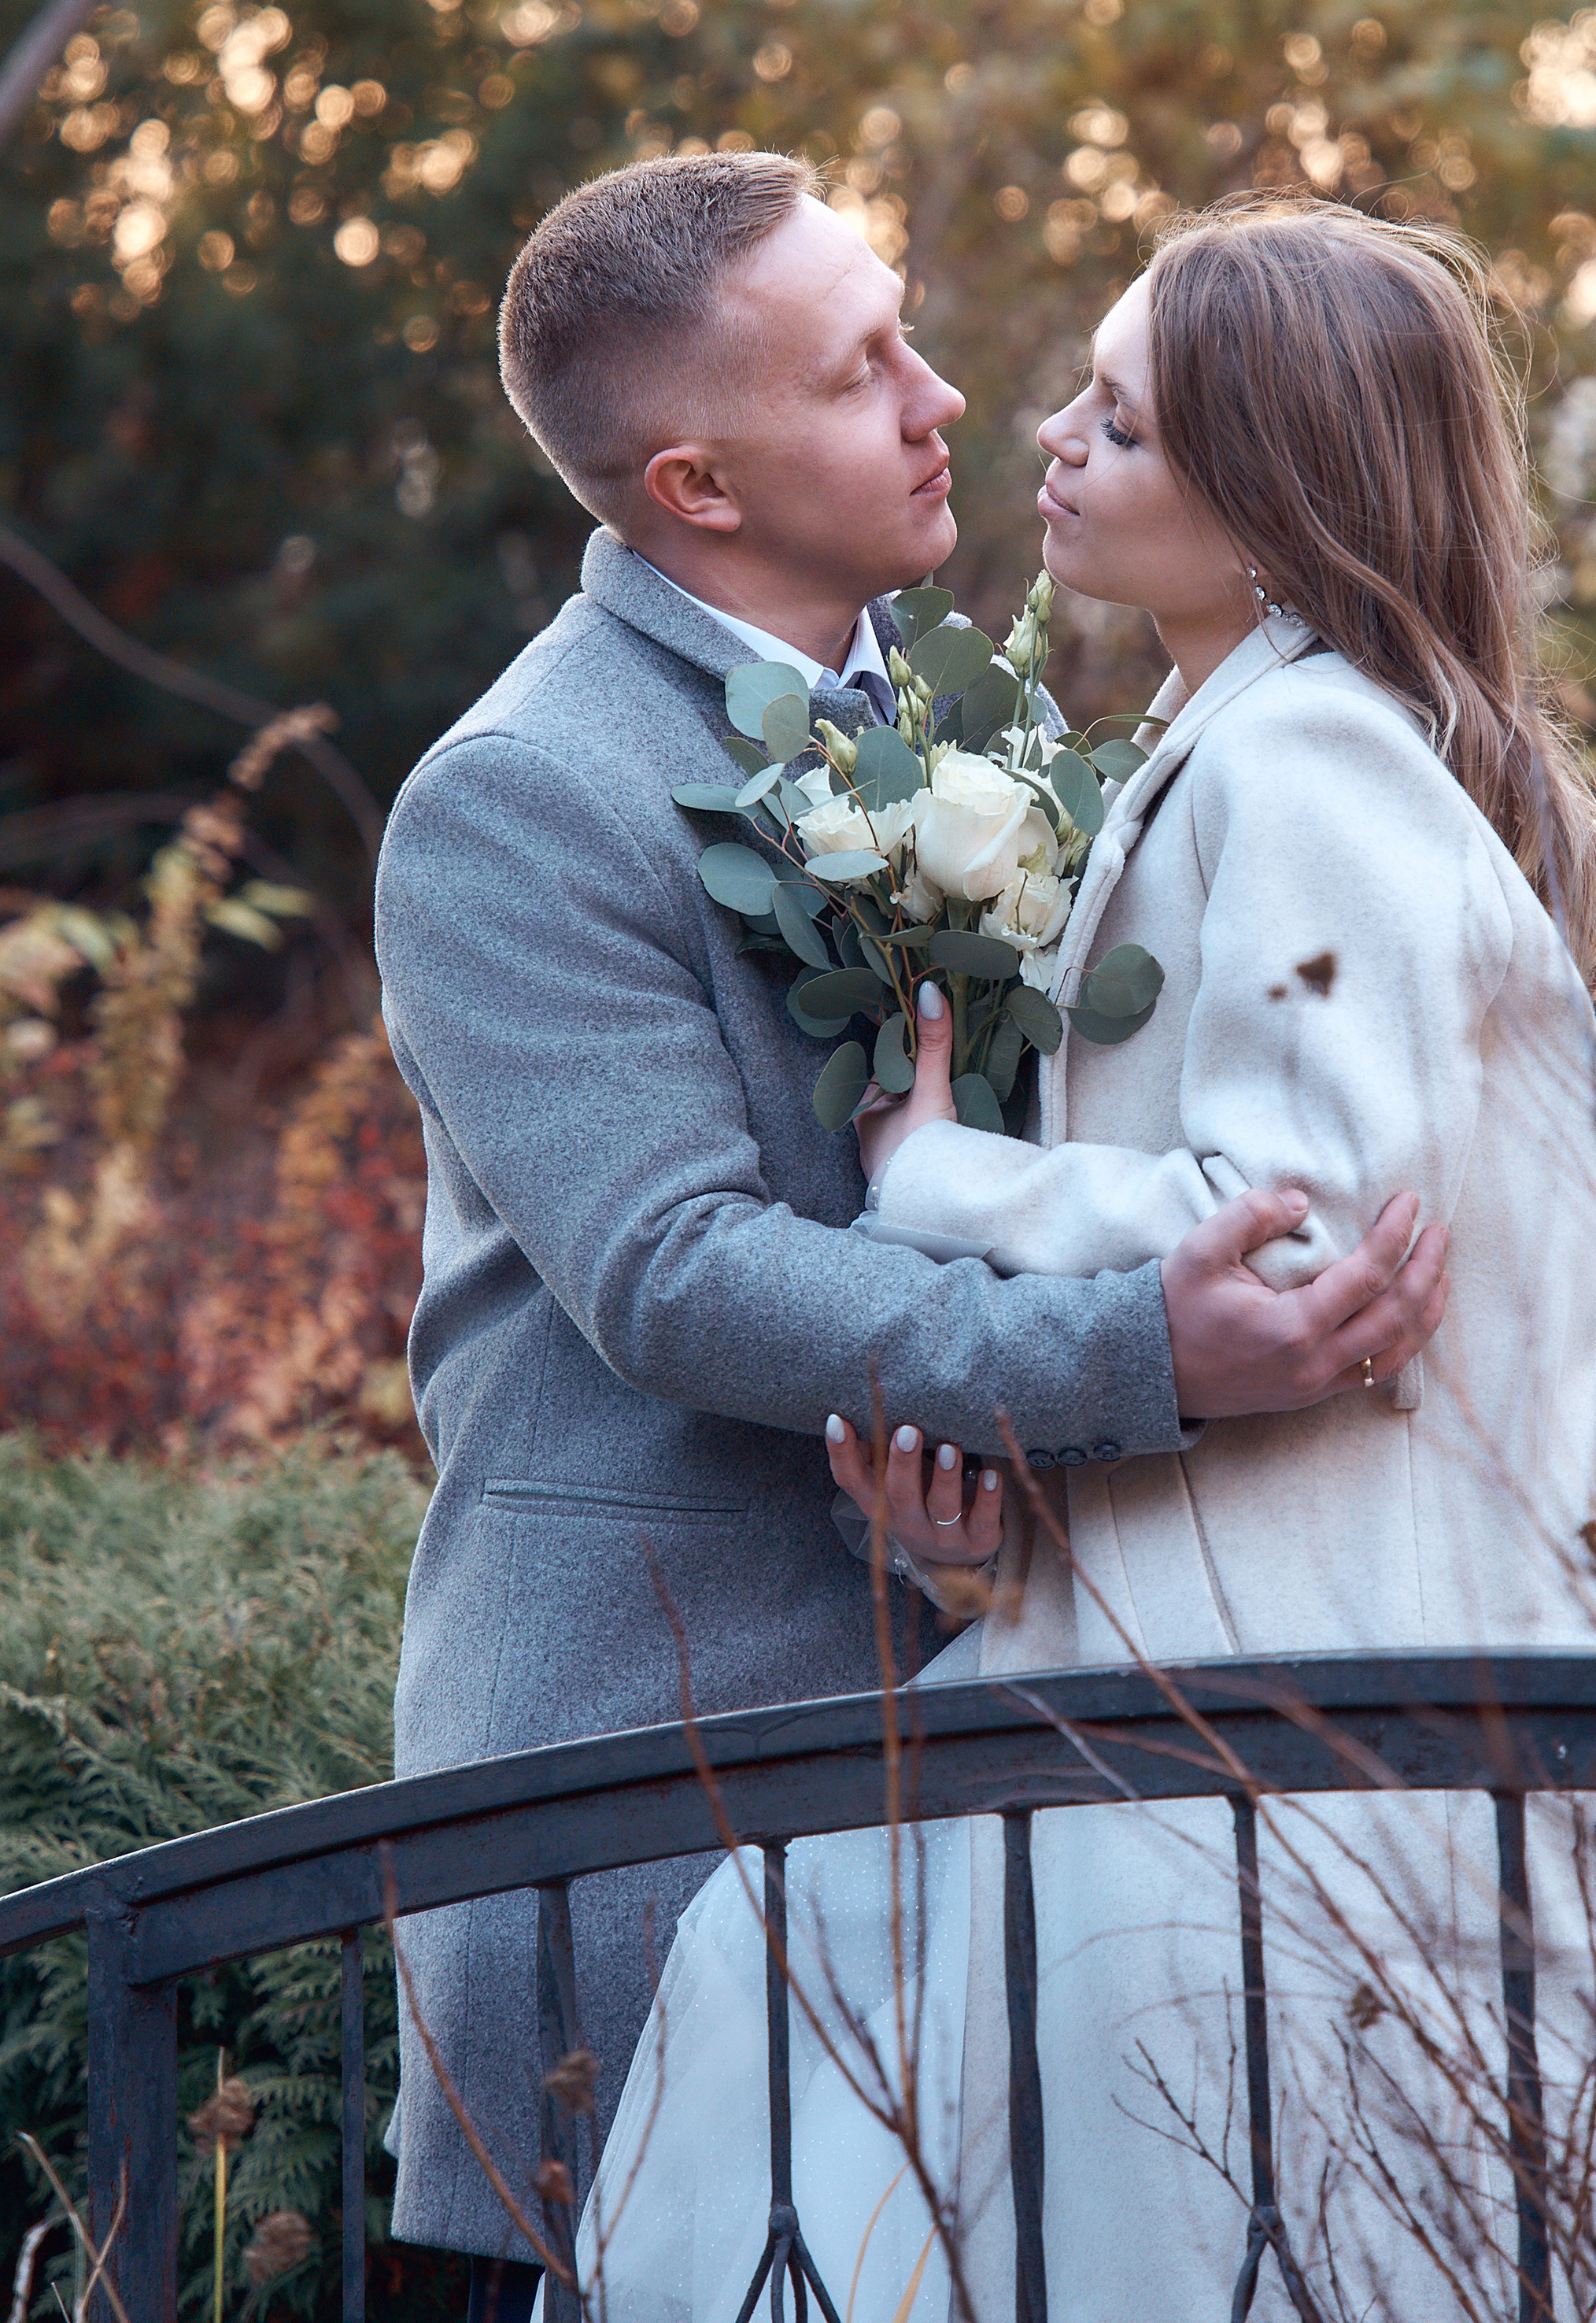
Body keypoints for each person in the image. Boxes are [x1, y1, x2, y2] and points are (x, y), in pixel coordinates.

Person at [578, 198, 1596, 2321]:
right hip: (1243, 1686)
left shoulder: (1301, 767)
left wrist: (942, 1188)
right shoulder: (1245, 745)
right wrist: (997, 1530)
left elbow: (1315, 1244)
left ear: (1277, 501)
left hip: (1286, 1737)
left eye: (1120, 419)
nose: (1047, 437)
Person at [371, 152, 1449, 2303]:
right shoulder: (520, 795)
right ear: (694, 480)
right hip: (656, 1806)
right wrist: (1148, 1359)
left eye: (909, 331)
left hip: (1010, 1772)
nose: (947, 395)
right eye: (865, 372)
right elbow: (677, 1273)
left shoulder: (994, 732)